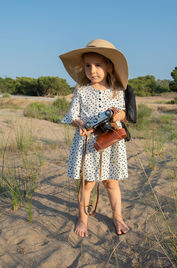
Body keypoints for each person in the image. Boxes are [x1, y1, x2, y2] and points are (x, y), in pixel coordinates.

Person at [60, 39, 130, 238]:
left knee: (111, 182)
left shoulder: (117, 90)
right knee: (88, 183)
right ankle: (83, 218)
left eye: (98, 65)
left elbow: (124, 113)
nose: (93, 70)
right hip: (88, 144)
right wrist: (81, 125)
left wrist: (118, 116)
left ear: (108, 66)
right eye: (88, 66)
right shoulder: (81, 91)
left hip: (111, 142)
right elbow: (71, 116)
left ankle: (117, 216)